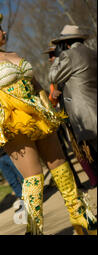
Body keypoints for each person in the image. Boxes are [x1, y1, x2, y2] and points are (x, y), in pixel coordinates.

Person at [0, 0, 96, 235]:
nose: (4, 32)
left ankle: (82, 219)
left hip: (38, 113)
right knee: (33, 177)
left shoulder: (14, 55)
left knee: (60, 166)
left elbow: (36, 84)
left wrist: (49, 103)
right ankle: (35, 230)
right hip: (13, 120)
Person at [48, 25, 97, 187]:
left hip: (86, 115)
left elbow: (52, 76)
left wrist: (58, 58)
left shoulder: (69, 55)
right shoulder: (92, 53)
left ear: (66, 43)